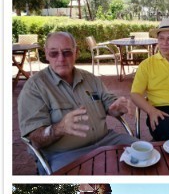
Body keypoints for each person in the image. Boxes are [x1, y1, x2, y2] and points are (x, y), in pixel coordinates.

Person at [18, 31, 135, 173]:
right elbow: (35, 139)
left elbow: (109, 103)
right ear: (47, 54)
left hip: (106, 141)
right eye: (54, 53)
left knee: (147, 153)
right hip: (65, 154)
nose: (61, 58)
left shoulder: (90, 78)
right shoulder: (34, 87)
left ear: (76, 53)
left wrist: (117, 107)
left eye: (67, 52)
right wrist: (59, 128)